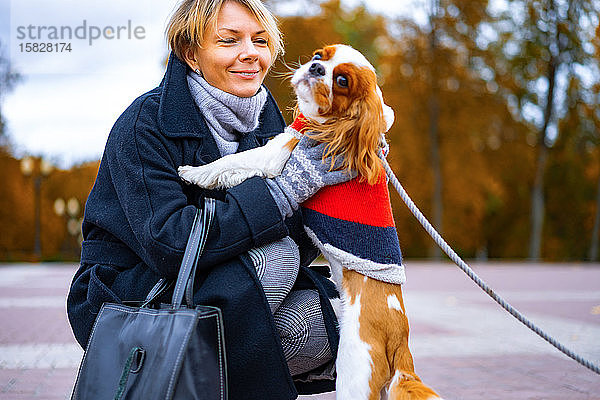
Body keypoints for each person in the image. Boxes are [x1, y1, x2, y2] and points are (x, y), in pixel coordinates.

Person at [66, 0, 353, 398]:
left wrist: (346, 165)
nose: (250, 53)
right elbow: (170, 242)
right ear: (190, 54)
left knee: (334, 323)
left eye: (260, 40)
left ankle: (191, 387)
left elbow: (297, 235)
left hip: (219, 287)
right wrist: (283, 191)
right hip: (131, 292)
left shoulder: (270, 116)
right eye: (228, 40)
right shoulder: (143, 123)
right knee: (277, 259)